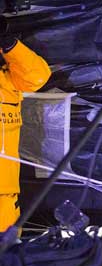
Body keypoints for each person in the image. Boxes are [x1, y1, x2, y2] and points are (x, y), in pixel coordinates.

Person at [0, 38, 52, 231]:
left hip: (5, 202)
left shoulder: (7, 80)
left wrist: (10, 45)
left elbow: (38, 76)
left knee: (9, 259)